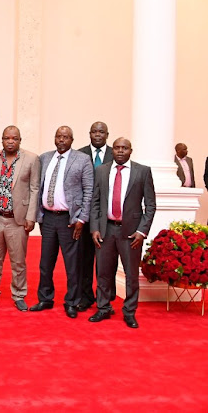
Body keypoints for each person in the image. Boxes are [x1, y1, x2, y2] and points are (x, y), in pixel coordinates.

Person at [89, 138, 156, 329]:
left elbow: (150, 205)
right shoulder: (101, 171)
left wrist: (142, 232)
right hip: (106, 229)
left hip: (131, 233)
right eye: (117, 148)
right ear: (113, 151)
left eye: (124, 148)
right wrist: (94, 228)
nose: (120, 151)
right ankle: (103, 308)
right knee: (103, 272)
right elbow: (95, 202)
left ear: (130, 151)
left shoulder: (142, 171)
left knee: (131, 275)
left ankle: (129, 311)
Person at [30, 126, 94, 319]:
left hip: (70, 220)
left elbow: (88, 191)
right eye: (59, 136)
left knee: (72, 264)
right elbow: (38, 187)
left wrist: (82, 219)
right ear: (54, 138)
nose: (61, 140)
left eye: (66, 137)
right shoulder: (45, 158)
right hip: (48, 218)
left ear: (72, 140)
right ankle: (45, 298)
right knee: (45, 262)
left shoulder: (82, 159)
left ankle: (72, 302)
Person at [0, 126, 39, 311]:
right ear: (2, 140)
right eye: (7, 138)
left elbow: (34, 189)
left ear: (20, 140)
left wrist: (31, 216)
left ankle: (19, 294)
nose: (10, 141)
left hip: (18, 219)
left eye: (14, 138)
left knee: (18, 261)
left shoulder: (31, 159)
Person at [76, 121, 114, 311]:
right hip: (84, 214)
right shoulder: (79, 153)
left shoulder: (116, 154)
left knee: (105, 261)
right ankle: (85, 296)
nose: (98, 135)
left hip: (106, 216)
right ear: (89, 134)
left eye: (102, 132)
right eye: (94, 132)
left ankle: (104, 298)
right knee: (84, 258)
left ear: (107, 134)